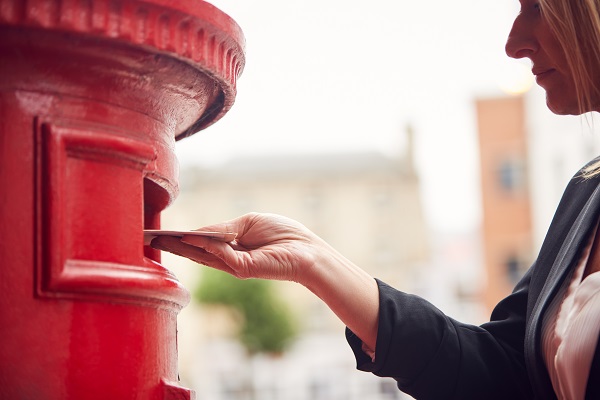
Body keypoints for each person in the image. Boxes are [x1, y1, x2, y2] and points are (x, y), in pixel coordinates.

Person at [152, 0, 600, 398]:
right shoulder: (586, 193)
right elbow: (501, 374)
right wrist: (313, 260)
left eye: (538, 7)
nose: (514, 43)